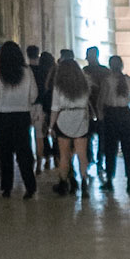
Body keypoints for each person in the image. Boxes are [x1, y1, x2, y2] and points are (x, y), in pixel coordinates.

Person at [0, 41, 38, 199]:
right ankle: (30, 186)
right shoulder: (27, 72)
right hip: (22, 115)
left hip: (3, 115)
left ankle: (7, 187)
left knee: (6, 153)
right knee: (24, 151)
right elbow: (34, 95)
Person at [50, 52, 92, 197]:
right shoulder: (84, 84)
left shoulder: (58, 86)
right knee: (82, 154)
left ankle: (63, 183)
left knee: (64, 155)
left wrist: (51, 126)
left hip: (64, 119)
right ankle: (84, 183)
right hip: (81, 119)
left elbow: (55, 108)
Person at [97, 54, 130, 195]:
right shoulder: (127, 80)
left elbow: (102, 99)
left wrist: (100, 116)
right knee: (128, 151)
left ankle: (109, 179)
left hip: (112, 115)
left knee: (110, 150)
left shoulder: (107, 80)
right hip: (126, 115)